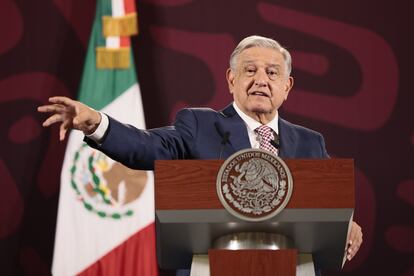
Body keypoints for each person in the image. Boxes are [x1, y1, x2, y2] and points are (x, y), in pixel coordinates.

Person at [38, 35, 362, 263]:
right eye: (250, 70)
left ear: (287, 86)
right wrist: (97, 122)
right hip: (213, 264)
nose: (261, 80)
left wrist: (347, 221)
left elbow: (328, 196)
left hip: (293, 266)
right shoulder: (200, 125)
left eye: (272, 72)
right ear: (231, 80)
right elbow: (147, 147)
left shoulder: (310, 142)